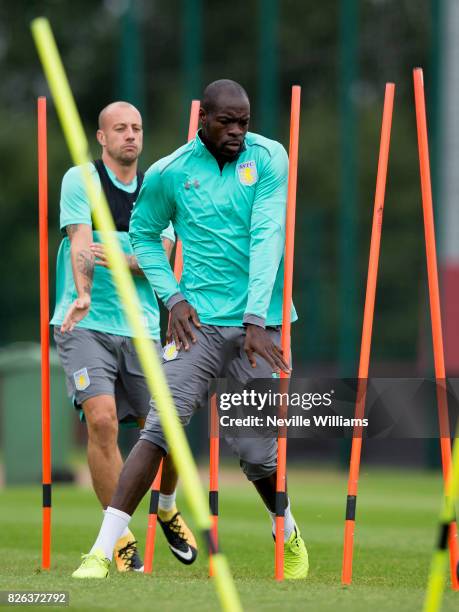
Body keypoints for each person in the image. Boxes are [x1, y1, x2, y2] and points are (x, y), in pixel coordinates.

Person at [72, 80, 308, 580]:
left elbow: (268, 236)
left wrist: (256, 319)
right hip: (195, 326)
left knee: (256, 456)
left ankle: (285, 529)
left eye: (244, 121)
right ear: (203, 119)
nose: (238, 132)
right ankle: (100, 550)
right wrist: (172, 296)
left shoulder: (269, 158)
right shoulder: (170, 172)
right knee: (160, 429)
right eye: (227, 122)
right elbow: (144, 235)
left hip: (259, 326)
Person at [51, 101, 197, 572]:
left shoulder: (157, 186)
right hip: (85, 322)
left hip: (140, 329)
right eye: (120, 129)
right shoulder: (82, 179)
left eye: (136, 127)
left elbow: (163, 258)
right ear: (102, 137)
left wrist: (119, 256)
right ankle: (120, 535)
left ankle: (168, 506)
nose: (130, 135)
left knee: (168, 429)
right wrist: (85, 293)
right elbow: (79, 242)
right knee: (102, 422)